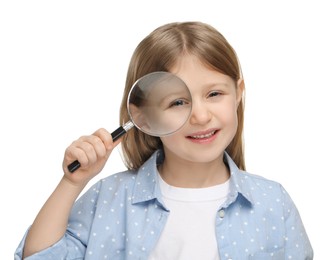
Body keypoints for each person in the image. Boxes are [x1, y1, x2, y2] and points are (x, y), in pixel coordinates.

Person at [15, 21, 313, 259]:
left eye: (214, 94)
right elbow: (41, 256)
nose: (199, 115)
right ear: (144, 117)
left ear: (239, 94)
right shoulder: (111, 198)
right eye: (177, 102)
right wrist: (72, 183)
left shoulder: (273, 202)